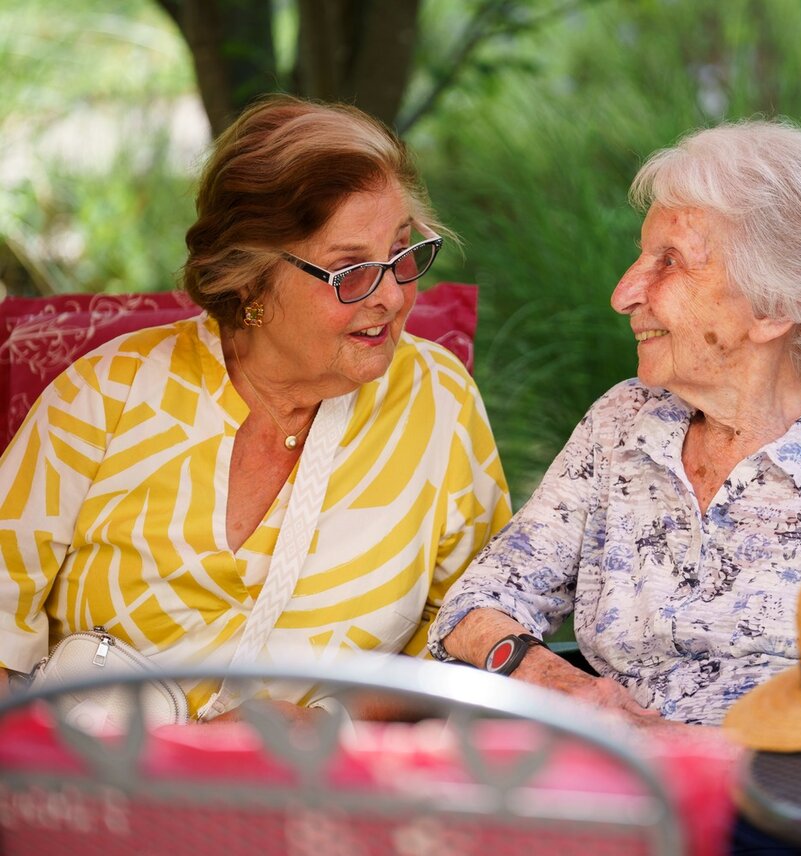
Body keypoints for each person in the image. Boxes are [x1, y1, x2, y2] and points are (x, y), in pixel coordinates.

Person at [0, 96, 511, 720]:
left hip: (314, 795)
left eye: (402, 255)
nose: (392, 297)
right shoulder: (107, 394)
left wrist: (323, 724)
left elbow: (472, 633)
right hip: (94, 783)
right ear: (250, 277)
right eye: (349, 270)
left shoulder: (438, 401)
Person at [429, 119, 801, 727]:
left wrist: (669, 746)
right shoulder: (622, 424)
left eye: (669, 262)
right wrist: (561, 684)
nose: (624, 293)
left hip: (776, 804)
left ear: (776, 306)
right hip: (605, 786)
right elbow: (473, 607)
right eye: (641, 256)